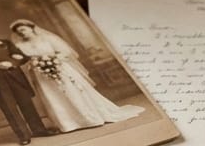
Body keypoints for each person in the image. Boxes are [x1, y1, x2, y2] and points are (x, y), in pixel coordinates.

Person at [9, 19, 143, 132]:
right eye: (19, 32)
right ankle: (68, 123)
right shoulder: (20, 45)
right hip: (40, 74)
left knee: (72, 91)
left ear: (31, 28)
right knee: (53, 95)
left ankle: (89, 118)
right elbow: (22, 59)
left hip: (60, 68)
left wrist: (54, 60)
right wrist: (36, 63)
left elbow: (65, 51)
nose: (22, 33)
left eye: (24, 29)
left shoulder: (48, 38)